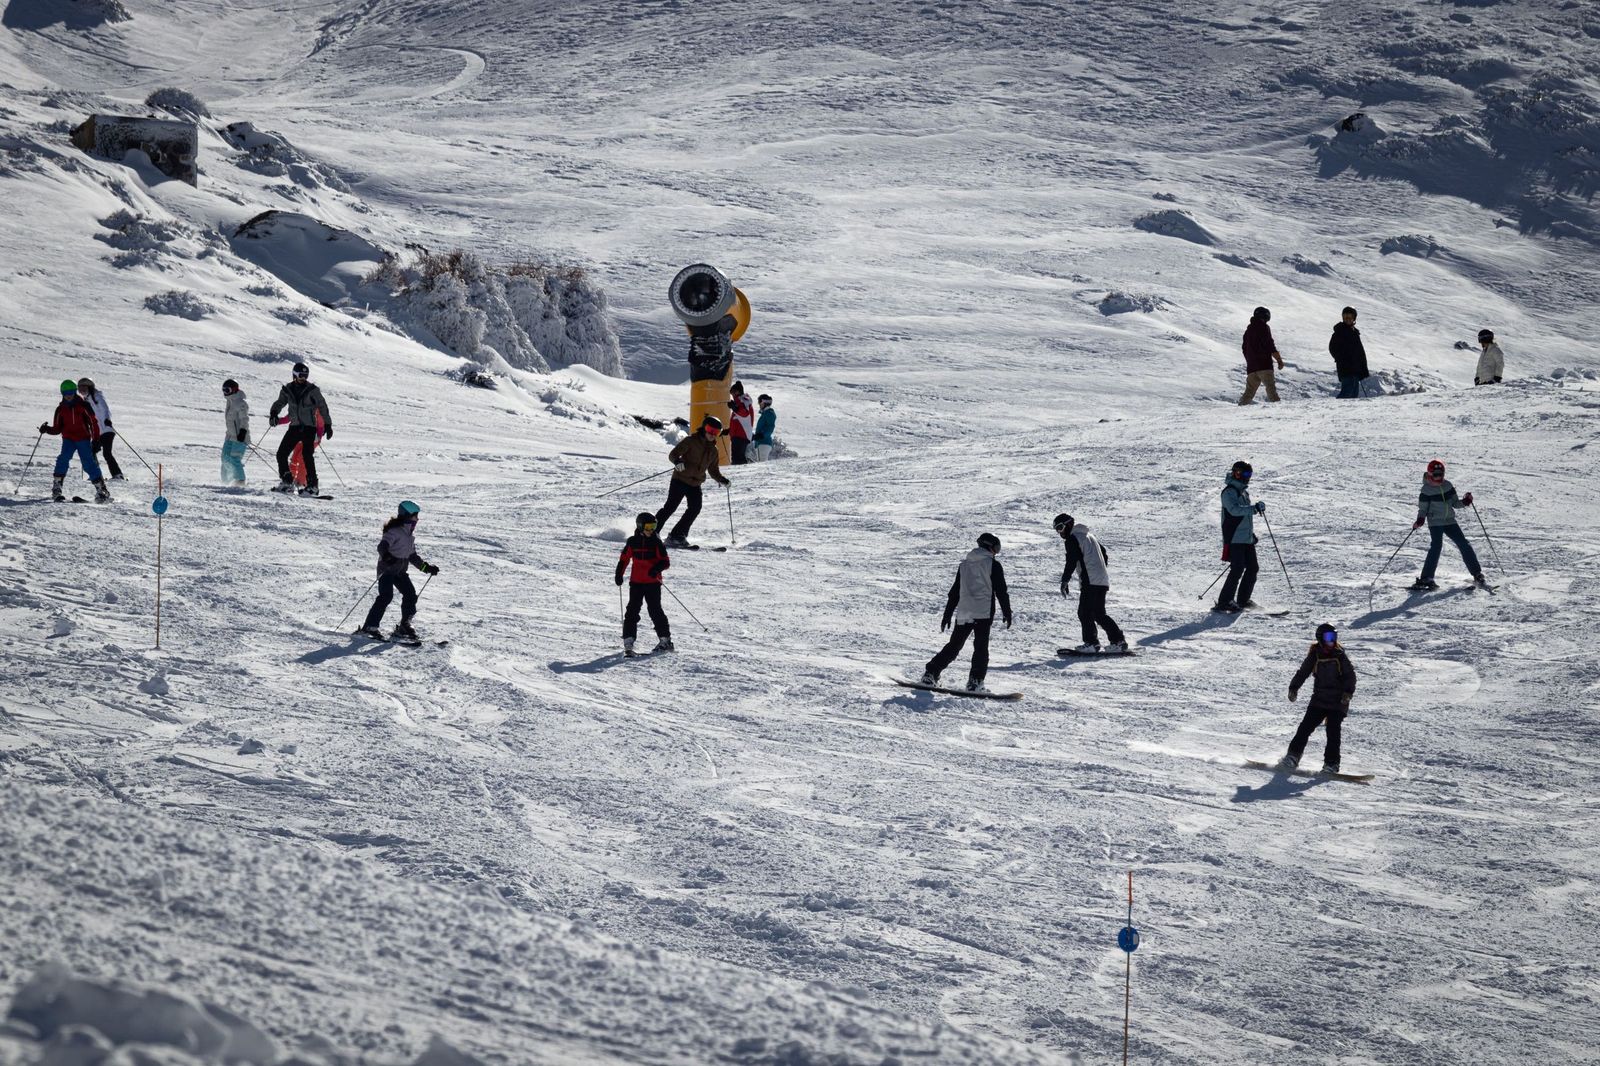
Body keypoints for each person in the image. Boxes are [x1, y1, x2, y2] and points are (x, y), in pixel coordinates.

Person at [920, 533, 1013, 693]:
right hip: (983, 612)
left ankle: (931, 673)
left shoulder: (964, 565)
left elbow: (954, 592)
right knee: (981, 648)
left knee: (954, 646)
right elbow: (1001, 591)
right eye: (996, 548)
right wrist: (1007, 611)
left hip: (964, 612)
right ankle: (975, 682)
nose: (996, 552)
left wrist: (947, 614)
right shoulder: (993, 565)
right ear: (990, 547)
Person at [1278, 623, 1356, 775]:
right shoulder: (1315, 655)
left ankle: (1331, 764)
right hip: (1319, 699)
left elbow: (1350, 676)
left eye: (1334, 637)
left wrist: (1348, 693)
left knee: (1333, 731)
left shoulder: (1340, 655)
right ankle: (1292, 756)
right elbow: (1303, 672)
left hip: (1338, 701)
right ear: (1320, 639)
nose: (1331, 641)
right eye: (1328, 638)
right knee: (1305, 728)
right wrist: (1294, 687)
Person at [358, 500, 439, 641]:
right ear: (407, 516)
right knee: (386, 596)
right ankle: (370, 627)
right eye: (415, 516)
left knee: (410, 595)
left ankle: (404, 625)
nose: (417, 519)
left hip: (400, 572)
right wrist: (387, 556)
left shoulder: (409, 536)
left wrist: (427, 568)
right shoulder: (394, 531)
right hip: (387, 570)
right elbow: (382, 546)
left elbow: (413, 557)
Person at [1410, 459, 1488, 591]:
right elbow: (1423, 509)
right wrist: (1420, 519)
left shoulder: (1448, 486)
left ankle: (1476, 573)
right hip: (1435, 522)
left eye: (1441, 474)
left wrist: (1465, 501)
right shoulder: (1426, 490)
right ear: (1430, 474)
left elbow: (1455, 503)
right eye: (1436, 475)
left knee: (1463, 543)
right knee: (1436, 546)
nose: (1438, 477)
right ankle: (1426, 577)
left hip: (1449, 521)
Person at [1055, 513, 1127, 653]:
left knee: (1085, 612)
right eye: (1057, 529)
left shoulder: (1072, 538)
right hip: (1102, 580)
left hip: (1090, 581)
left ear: (1069, 525)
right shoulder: (1089, 536)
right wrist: (1099, 569)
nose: (1060, 533)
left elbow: (1071, 560)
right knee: (1099, 614)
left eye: (1060, 527)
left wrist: (1065, 580)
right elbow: (1104, 552)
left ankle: (1091, 643)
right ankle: (1118, 641)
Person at [656, 415, 731, 548]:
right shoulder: (691, 441)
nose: (712, 434)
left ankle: (677, 536)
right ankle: (651, 532)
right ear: (704, 428)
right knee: (670, 507)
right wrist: (677, 462)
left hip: (695, 484)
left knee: (695, 508)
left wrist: (722, 480)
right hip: (680, 479)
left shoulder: (714, 451)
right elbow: (673, 455)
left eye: (716, 432)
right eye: (710, 430)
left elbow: (713, 470)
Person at [39, 380, 111, 503]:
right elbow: (57, 429)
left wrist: (96, 440)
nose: (69, 394)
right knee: (63, 459)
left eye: (71, 391)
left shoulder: (83, 406)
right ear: (62, 393)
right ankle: (57, 488)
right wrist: (47, 429)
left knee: (88, 463)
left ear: (75, 391)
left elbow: (94, 423)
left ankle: (101, 490)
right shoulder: (60, 409)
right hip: (68, 439)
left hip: (83, 438)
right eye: (66, 392)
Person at [268, 362, 332, 496]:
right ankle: (287, 482)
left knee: (307, 456)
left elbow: (322, 406)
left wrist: (327, 424)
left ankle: (312, 486)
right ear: (294, 375)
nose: (303, 378)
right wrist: (274, 413)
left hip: (309, 428)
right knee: (281, 454)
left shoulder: (312, 390)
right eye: (301, 376)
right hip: (295, 427)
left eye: (305, 376)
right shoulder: (288, 390)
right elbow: (279, 403)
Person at [615, 512, 673, 656]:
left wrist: (656, 569)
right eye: (648, 527)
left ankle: (665, 641)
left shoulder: (656, 542)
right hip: (636, 583)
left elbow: (665, 562)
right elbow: (624, 559)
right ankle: (628, 641)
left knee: (655, 610)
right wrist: (619, 574)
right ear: (641, 527)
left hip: (653, 583)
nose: (651, 530)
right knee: (632, 611)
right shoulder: (632, 542)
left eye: (654, 526)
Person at [1214, 460, 1265, 613]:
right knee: (1237, 569)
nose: (1247, 477)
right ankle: (1224, 602)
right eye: (1245, 474)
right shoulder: (1229, 492)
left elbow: (1245, 517)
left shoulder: (1243, 492)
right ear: (1236, 473)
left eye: (1249, 474)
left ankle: (1242, 600)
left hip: (1245, 538)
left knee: (1253, 568)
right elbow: (1234, 511)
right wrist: (1253, 509)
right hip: (1235, 537)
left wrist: (1251, 535)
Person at [75, 378, 123, 481]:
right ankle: (96, 475)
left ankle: (118, 475)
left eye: (84, 387)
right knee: (91, 452)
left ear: (89, 387)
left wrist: (107, 419)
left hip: (107, 430)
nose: (82, 390)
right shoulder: (86, 401)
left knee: (107, 453)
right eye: (80, 388)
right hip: (97, 433)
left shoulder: (97, 396)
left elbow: (105, 408)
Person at [1238, 307, 1284, 405]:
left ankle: (1240, 408)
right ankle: (1279, 410)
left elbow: (1244, 348)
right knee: (1271, 390)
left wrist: (1250, 361)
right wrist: (1279, 360)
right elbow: (1270, 345)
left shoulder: (1248, 331)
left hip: (1252, 368)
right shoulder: (1264, 327)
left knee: (1249, 392)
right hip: (1264, 365)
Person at [1328, 306, 1369, 399]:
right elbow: (1332, 348)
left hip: (1355, 369)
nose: (1347, 319)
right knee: (1347, 392)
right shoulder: (1339, 332)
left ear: (1354, 319)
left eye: (1350, 317)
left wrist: (1363, 368)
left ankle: (1348, 413)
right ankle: (1336, 410)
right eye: (1345, 317)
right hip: (1345, 368)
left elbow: (1360, 352)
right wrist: (1341, 358)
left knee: (1354, 394)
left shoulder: (1354, 333)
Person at [221, 378, 250, 485]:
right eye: (223, 390)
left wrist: (243, 431)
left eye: (227, 390)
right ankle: (226, 481)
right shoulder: (230, 401)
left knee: (234, 458)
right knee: (225, 458)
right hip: (230, 436)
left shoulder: (241, 403)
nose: (225, 393)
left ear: (233, 389)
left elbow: (244, 419)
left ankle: (240, 480)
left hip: (240, 437)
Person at [726, 381, 755, 465]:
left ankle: (741, 474)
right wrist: (729, 430)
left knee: (737, 458)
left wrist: (734, 408)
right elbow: (737, 421)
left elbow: (745, 414)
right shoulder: (739, 402)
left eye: (732, 392)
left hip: (741, 435)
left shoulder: (743, 401)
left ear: (737, 391)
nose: (732, 395)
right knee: (736, 457)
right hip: (738, 435)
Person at [752, 393, 777, 461]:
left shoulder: (769, 413)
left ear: (764, 403)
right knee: (761, 463)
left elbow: (770, 427)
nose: (759, 404)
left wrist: (761, 435)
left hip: (764, 442)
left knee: (761, 464)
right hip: (760, 443)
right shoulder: (765, 414)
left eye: (760, 402)